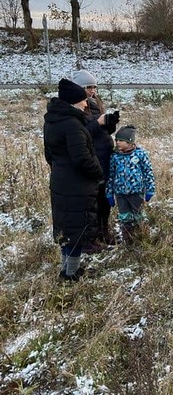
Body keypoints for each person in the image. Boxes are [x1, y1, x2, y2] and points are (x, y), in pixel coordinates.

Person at [43, 78, 104, 282]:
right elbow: (82, 158)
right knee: (77, 231)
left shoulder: (52, 121)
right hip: (77, 185)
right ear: (73, 102)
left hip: (60, 181)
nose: (86, 104)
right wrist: (99, 172)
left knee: (67, 230)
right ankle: (71, 274)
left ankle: (66, 270)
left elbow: (49, 155)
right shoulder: (72, 125)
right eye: (82, 100)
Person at [72, 69, 120, 251]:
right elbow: (83, 134)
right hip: (94, 157)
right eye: (88, 87)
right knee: (94, 199)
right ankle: (92, 235)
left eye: (93, 87)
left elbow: (101, 131)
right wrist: (98, 123)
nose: (92, 91)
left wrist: (110, 123)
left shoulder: (95, 102)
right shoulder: (76, 108)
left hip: (105, 155)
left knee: (104, 196)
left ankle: (103, 230)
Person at [106, 125, 156, 244]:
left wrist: (150, 189)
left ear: (130, 142)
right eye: (117, 140)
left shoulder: (140, 154)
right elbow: (111, 175)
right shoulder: (115, 157)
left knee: (139, 216)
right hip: (120, 194)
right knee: (125, 217)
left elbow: (148, 172)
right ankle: (128, 240)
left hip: (136, 192)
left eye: (121, 140)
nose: (118, 142)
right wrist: (109, 193)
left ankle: (143, 238)